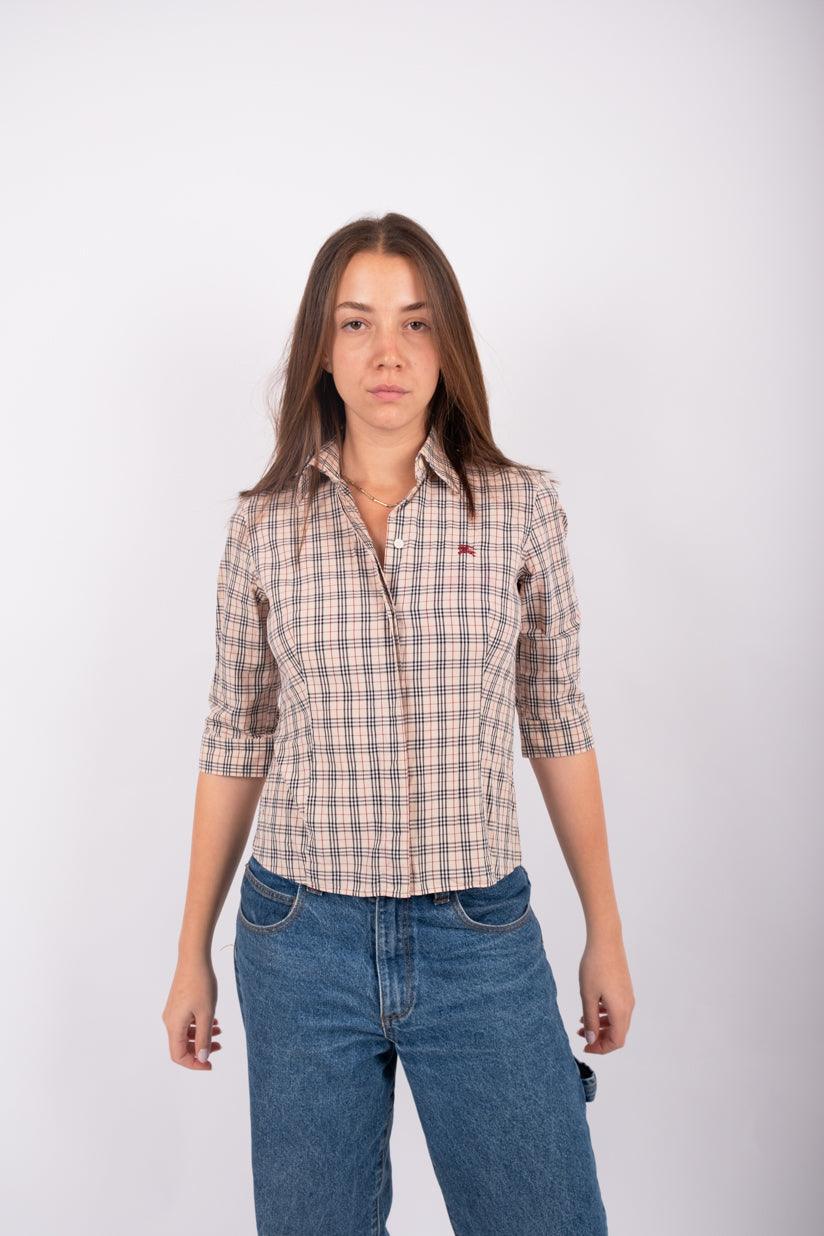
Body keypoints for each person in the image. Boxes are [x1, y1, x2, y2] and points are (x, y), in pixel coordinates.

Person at [162, 212, 634, 1235]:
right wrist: (190, 949)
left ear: (446, 344)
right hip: (299, 941)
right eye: (357, 323)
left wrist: (605, 930)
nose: (387, 352)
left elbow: (555, 720)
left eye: (416, 323)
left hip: (478, 937)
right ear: (321, 351)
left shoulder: (519, 510)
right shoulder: (263, 526)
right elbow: (234, 736)